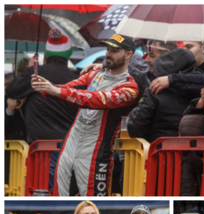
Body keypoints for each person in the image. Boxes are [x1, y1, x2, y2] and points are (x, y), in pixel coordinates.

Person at [31, 34, 139, 196]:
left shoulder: (130, 89)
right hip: (71, 142)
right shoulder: (94, 75)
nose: (108, 54)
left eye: (115, 51)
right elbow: (68, 89)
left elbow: (97, 100)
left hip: (96, 151)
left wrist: (57, 90)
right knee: (60, 193)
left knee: (93, 200)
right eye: (108, 49)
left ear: (128, 54)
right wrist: (46, 87)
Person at [6, 29, 79, 144]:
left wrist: (29, 72)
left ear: (47, 53)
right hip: (68, 147)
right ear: (68, 54)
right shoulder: (77, 80)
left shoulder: (35, 74)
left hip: (39, 149)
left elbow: (11, 91)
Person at [127, 48, 204, 142]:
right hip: (194, 149)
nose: (146, 60)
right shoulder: (199, 85)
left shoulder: (156, 90)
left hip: (159, 150)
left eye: (151, 56)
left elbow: (135, 127)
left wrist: (171, 79)